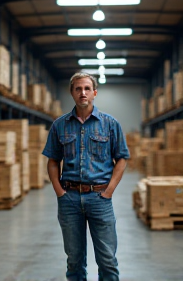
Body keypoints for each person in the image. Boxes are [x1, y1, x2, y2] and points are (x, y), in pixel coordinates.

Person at [42, 72, 130, 281]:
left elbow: (122, 158)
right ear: (72, 93)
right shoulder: (60, 125)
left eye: (87, 89)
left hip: (100, 199)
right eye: (78, 89)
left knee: (107, 259)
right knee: (74, 260)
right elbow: (53, 160)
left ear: (94, 93)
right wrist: (60, 192)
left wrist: (108, 192)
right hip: (69, 199)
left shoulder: (110, 124)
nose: (83, 93)